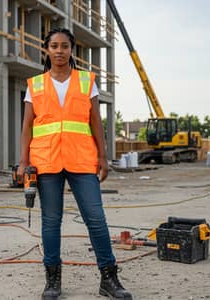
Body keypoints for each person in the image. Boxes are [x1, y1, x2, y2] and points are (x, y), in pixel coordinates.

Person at [17, 28, 132, 300]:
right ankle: (52, 281)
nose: (59, 51)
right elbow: (27, 127)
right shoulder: (35, 84)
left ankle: (109, 278)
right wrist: (23, 162)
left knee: (96, 219)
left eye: (64, 46)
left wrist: (103, 157)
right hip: (45, 162)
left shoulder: (86, 81)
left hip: (82, 159)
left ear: (72, 50)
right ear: (46, 50)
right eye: (54, 46)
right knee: (51, 222)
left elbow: (95, 122)